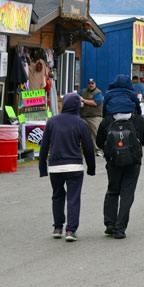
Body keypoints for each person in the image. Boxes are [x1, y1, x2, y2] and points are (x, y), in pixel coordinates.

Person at [38, 92, 97, 241]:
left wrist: (42, 168)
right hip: (74, 166)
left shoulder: (52, 122)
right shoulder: (81, 123)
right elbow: (89, 148)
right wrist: (91, 168)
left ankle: (58, 227)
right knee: (73, 198)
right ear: (77, 106)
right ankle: (71, 230)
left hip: (55, 166)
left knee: (57, 196)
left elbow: (44, 146)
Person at [96, 79, 144, 239]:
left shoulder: (107, 121)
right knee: (127, 193)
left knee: (112, 190)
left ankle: (109, 224)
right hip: (134, 161)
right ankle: (120, 228)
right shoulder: (139, 120)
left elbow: (99, 142)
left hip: (113, 161)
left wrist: (111, 151)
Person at [79, 79, 104, 149]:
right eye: (89, 83)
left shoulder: (98, 93)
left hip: (94, 117)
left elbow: (95, 103)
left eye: (92, 83)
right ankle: (82, 149)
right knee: (81, 134)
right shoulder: (83, 91)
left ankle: (98, 150)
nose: (91, 85)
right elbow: (75, 95)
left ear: (95, 84)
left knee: (96, 134)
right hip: (83, 116)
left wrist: (83, 100)